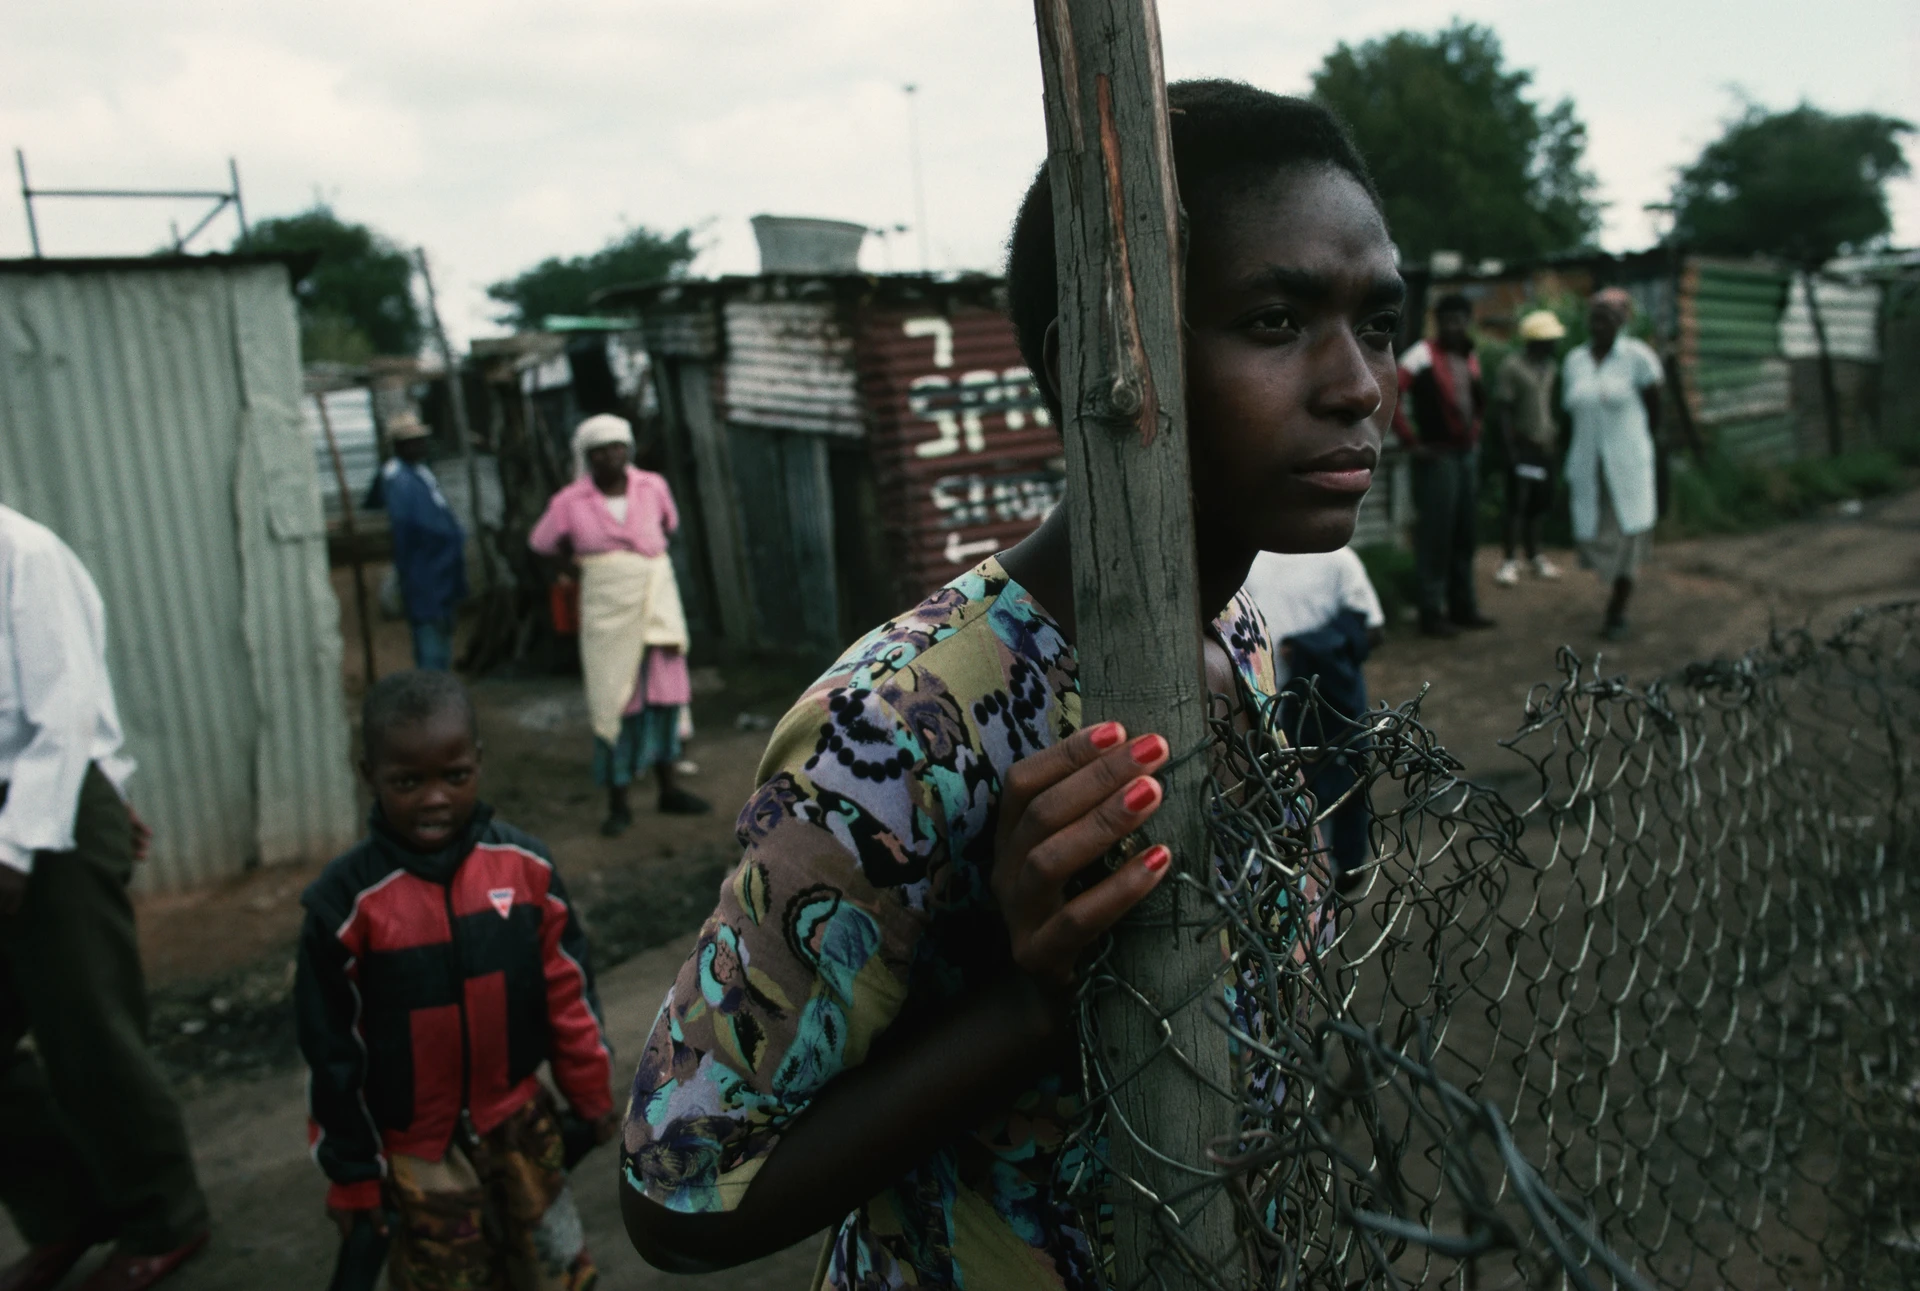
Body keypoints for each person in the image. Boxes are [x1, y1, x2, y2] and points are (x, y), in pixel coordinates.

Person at [617, 81, 1402, 1289]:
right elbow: (678, 1202)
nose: (1360, 383)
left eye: (1378, 323)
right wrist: (1025, 1006)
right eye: (1277, 320)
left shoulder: (1233, 627)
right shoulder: (893, 731)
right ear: (1095, 366)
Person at [294, 670, 616, 1291]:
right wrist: (354, 1175)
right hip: (418, 1152)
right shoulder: (344, 908)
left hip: (520, 1123)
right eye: (407, 782)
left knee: (556, 1268)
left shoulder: (526, 872)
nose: (434, 798)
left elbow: (569, 996)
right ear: (369, 776)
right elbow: (331, 1054)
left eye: (454, 776)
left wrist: (592, 1097)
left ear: (479, 764)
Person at [0, 504, 211, 1291]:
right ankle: (67, 1212)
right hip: (28, 815)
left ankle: (166, 1216)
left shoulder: (21, 553)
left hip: (41, 818)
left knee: (88, 1033)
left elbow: (65, 710)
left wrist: (17, 848)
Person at [529, 414, 707, 833]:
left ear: (628, 449)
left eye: (618, 447)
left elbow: (669, 526)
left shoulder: (653, 486)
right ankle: (619, 803)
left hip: (655, 600)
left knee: (664, 697)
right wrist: (571, 571)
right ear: (587, 457)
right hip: (607, 607)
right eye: (601, 451)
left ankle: (669, 789)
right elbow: (540, 544)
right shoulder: (570, 501)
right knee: (615, 700)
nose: (612, 456)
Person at [1241, 547, 1385, 888]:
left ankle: (1345, 869)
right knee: (1274, 794)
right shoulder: (1246, 559)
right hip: (1261, 704)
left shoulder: (1337, 559)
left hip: (1327, 703)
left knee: (1343, 782)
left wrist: (1315, 646)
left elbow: (1373, 630)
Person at [1393, 293, 1497, 638]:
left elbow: (1477, 403)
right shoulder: (1421, 355)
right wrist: (1412, 443)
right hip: (1438, 457)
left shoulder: (1468, 355)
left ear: (1468, 321)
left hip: (1466, 454)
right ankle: (1430, 611)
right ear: (1438, 322)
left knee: (1465, 533)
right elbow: (1393, 392)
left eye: (1460, 319)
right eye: (1448, 319)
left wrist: (1477, 433)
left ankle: (1463, 606)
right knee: (1436, 534)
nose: (1455, 325)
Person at [1562, 288, 1662, 640]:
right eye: (1596, 314)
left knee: (1627, 533)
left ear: (1624, 320)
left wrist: (1641, 445)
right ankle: (1614, 588)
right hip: (1587, 466)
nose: (1600, 321)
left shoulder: (1638, 358)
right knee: (1592, 531)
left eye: (1610, 314)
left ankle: (1618, 608)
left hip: (1628, 464)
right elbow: (1568, 415)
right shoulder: (1574, 360)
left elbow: (1655, 409)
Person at [372, 413, 468, 671]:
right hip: (425, 571)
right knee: (430, 642)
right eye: (412, 441)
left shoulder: (420, 473)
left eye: (420, 440)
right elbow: (406, 529)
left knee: (442, 633)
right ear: (399, 446)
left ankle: (439, 690)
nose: (420, 446)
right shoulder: (400, 481)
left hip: (441, 571)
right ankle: (432, 696)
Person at [1492, 310, 1567, 586]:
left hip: (1544, 446)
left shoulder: (1550, 368)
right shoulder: (1512, 367)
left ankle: (1535, 555)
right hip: (1522, 446)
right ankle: (1509, 561)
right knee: (1517, 502)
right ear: (1536, 340)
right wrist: (1509, 449)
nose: (1554, 344)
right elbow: (1503, 411)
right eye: (1549, 339)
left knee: (1539, 502)